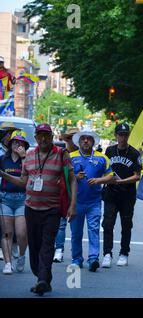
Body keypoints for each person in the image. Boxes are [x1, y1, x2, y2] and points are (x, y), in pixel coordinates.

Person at [0, 124, 77, 295]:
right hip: (31, 208)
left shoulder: (61, 154)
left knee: (47, 245)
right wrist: (3, 175)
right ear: (35, 138)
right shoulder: (28, 156)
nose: (43, 139)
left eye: (46, 135)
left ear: (51, 136)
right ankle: (43, 277)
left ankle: (42, 280)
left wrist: (72, 205)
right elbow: (22, 182)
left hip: (52, 209)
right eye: (40, 135)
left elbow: (72, 180)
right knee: (34, 246)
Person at [70, 130, 113, 272]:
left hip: (94, 202)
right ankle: (77, 259)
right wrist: (76, 177)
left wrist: (99, 180)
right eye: (83, 139)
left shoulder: (102, 158)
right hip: (76, 202)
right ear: (79, 142)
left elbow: (111, 175)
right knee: (76, 232)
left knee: (94, 230)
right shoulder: (71, 157)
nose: (86, 141)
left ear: (93, 142)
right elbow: (64, 177)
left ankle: (93, 258)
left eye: (89, 139)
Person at [101, 123, 141, 268]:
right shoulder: (109, 151)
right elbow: (104, 169)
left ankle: (124, 253)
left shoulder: (134, 153)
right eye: (120, 134)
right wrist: (106, 178)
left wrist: (122, 182)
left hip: (127, 195)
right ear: (116, 135)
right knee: (108, 224)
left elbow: (137, 176)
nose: (123, 137)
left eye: (125, 134)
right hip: (111, 193)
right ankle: (107, 253)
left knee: (126, 225)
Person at [0, 131, 28, 274]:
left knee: (22, 233)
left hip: (22, 199)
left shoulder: (28, 159)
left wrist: (23, 157)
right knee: (7, 233)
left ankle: (22, 256)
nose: (18, 145)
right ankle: (8, 263)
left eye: (21, 143)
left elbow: (27, 177)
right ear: (10, 144)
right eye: (15, 142)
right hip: (5, 199)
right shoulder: (2, 160)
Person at [53, 127, 79, 263]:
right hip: (62, 192)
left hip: (81, 196)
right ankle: (58, 249)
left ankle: (76, 255)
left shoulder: (84, 154)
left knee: (76, 227)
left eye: (74, 138)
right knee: (60, 223)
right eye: (68, 138)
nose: (71, 142)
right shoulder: (61, 153)